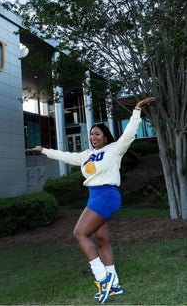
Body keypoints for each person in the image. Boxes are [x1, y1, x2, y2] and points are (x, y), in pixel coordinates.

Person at [26, 97, 155, 304]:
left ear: (105, 136)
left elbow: (129, 133)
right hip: (95, 196)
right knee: (102, 240)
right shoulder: (86, 155)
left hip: (106, 195)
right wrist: (45, 151)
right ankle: (114, 286)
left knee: (79, 233)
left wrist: (137, 110)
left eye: (97, 134)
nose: (93, 137)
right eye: (91, 134)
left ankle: (102, 278)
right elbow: (66, 155)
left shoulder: (114, 150)